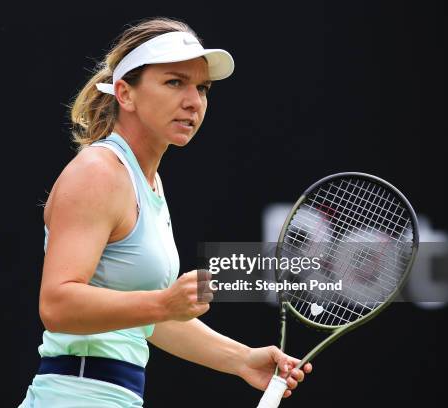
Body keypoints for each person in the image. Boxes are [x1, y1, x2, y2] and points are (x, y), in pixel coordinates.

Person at [18, 17, 312, 408]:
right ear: (125, 93)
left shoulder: (148, 182)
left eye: (202, 88)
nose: (194, 101)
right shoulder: (98, 173)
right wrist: (163, 302)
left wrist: (242, 360)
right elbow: (56, 305)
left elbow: (143, 318)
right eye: (175, 82)